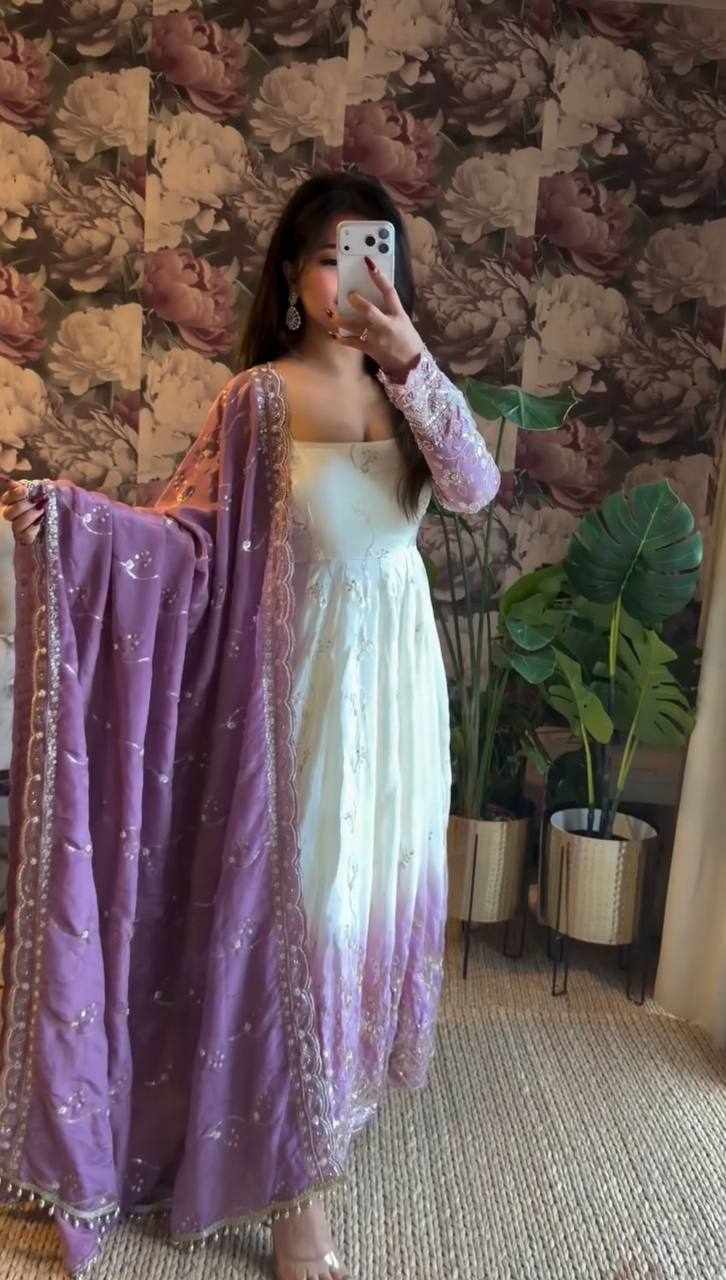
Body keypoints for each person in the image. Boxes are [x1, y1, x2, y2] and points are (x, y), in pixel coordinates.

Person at [0, 172, 499, 1280]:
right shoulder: (259, 401)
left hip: (397, 697)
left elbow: (474, 487)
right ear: (289, 275)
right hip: (296, 693)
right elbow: (184, 543)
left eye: (369, 253)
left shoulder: (412, 393)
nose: (347, 277)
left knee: (360, 907)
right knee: (296, 922)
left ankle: (324, 1117)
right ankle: (292, 1205)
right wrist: (73, 527)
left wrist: (412, 360)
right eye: (327, 256)